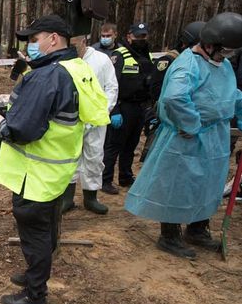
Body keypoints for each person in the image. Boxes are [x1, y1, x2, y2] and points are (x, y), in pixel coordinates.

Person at [0, 15, 109, 304]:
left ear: (52, 38)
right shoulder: (76, 67)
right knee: (46, 228)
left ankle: (35, 293)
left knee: (34, 232)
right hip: (58, 168)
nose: (32, 45)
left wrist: (0, 122)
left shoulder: (48, 76)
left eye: (34, 39)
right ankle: (34, 274)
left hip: (36, 171)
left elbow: (23, 130)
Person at [125, 12, 242, 259]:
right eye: (224, 51)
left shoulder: (222, 65)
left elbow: (233, 95)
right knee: (178, 184)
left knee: (208, 184)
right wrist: (191, 125)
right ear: (209, 45)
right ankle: (169, 235)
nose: (227, 56)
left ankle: (197, 229)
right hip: (187, 137)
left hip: (215, 137)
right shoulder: (188, 64)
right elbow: (174, 97)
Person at [61, 35, 119, 215]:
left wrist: (102, 111)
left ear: (84, 41)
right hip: (70, 119)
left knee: (94, 156)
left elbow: (111, 87)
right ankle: (67, 198)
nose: (71, 48)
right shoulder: (63, 61)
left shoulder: (101, 60)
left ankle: (91, 197)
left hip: (95, 120)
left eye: (74, 44)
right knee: (69, 157)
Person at [101, 22, 154, 195]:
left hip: (140, 108)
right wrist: (114, 110)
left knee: (131, 145)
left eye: (143, 36)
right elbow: (111, 84)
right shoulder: (120, 55)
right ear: (129, 36)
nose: (141, 39)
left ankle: (125, 176)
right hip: (123, 107)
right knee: (113, 145)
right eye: (138, 36)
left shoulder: (149, 56)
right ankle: (105, 179)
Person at [140, 21, 206, 162]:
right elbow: (156, 88)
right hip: (166, 115)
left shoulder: (198, 63)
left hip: (185, 118)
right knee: (154, 155)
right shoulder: (171, 60)